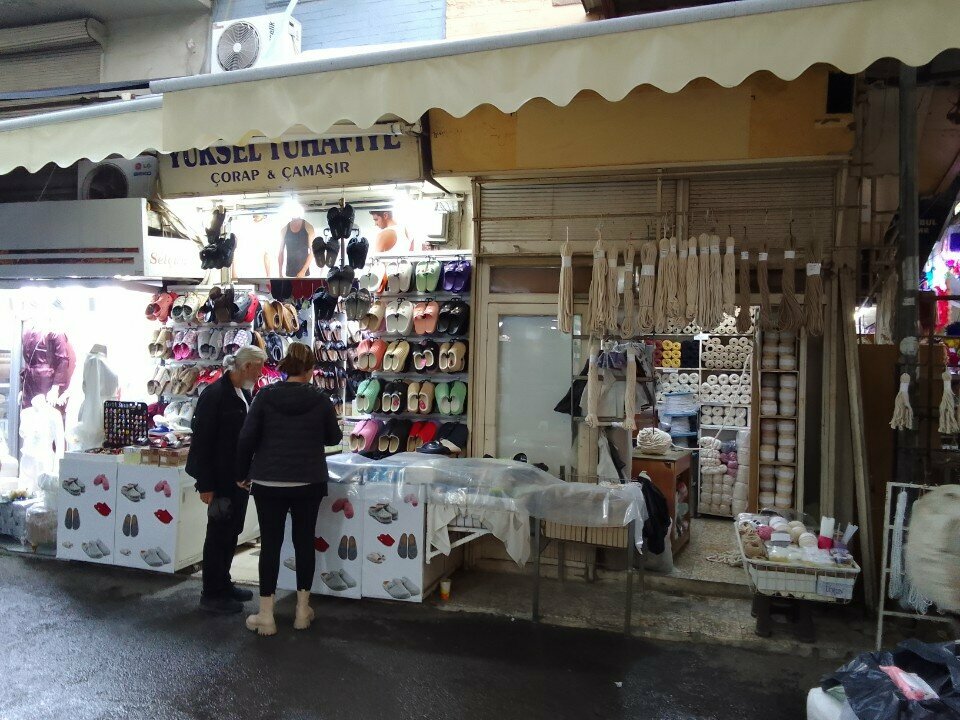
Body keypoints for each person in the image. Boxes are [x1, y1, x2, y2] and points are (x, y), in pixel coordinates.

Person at [237, 342, 342, 635]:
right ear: (310, 370)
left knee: (270, 545)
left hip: (268, 480)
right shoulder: (321, 399)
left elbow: (247, 438)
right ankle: (301, 611)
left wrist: (241, 473)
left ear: (285, 366)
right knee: (304, 541)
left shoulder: (264, 396)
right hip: (308, 480)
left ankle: (266, 615)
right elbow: (333, 437)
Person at [186, 345, 267, 615]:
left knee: (231, 532)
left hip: (237, 479)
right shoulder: (215, 395)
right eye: (258, 367)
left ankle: (223, 582)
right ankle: (211, 592)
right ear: (246, 367)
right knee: (218, 534)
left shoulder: (240, 393)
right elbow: (202, 441)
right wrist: (205, 484)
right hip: (220, 479)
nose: (260, 373)